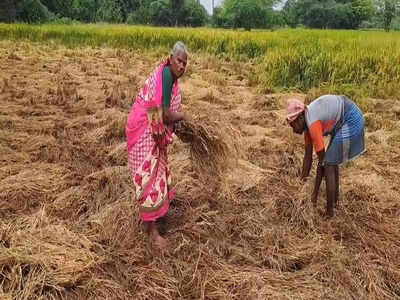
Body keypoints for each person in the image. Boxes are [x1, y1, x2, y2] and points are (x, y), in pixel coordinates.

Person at [126, 41, 190, 249]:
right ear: (171, 58)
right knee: (149, 175)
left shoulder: (168, 76)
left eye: (185, 64)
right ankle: (152, 234)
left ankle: (155, 217)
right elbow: (163, 113)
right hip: (142, 127)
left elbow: (162, 111)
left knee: (157, 170)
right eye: (179, 61)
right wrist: (184, 116)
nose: (181, 66)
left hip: (148, 124)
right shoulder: (166, 75)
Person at [286, 95, 365, 217]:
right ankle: (335, 202)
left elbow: (322, 163)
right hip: (342, 119)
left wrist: (314, 195)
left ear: (300, 117)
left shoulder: (312, 124)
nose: (293, 130)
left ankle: (329, 212)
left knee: (328, 164)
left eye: (293, 125)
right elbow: (308, 157)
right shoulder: (307, 124)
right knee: (331, 161)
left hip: (351, 119)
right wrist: (301, 187)